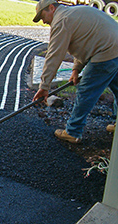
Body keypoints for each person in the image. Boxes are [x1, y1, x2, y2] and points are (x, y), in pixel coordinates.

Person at [32, 0, 118, 143]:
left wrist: (44, 87)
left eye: (43, 17)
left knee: (86, 90)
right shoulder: (74, 13)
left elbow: (54, 55)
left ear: (51, 8)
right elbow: (86, 43)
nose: (43, 22)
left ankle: (73, 131)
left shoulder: (61, 21)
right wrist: (76, 69)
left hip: (106, 52)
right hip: (114, 47)